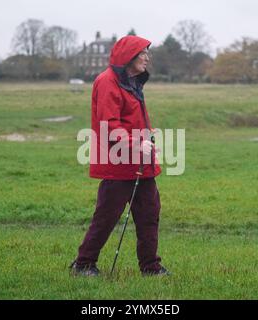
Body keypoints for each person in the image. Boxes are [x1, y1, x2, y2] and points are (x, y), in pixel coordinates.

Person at [70, 35, 169, 277]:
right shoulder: (107, 81)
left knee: (149, 214)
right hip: (118, 164)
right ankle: (83, 265)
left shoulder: (132, 80)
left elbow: (131, 119)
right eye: (143, 53)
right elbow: (109, 125)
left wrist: (146, 137)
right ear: (129, 57)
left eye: (147, 52)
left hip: (140, 164)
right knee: (106, 218)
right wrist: (136, 143)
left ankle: (151, 267)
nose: (147, 57)